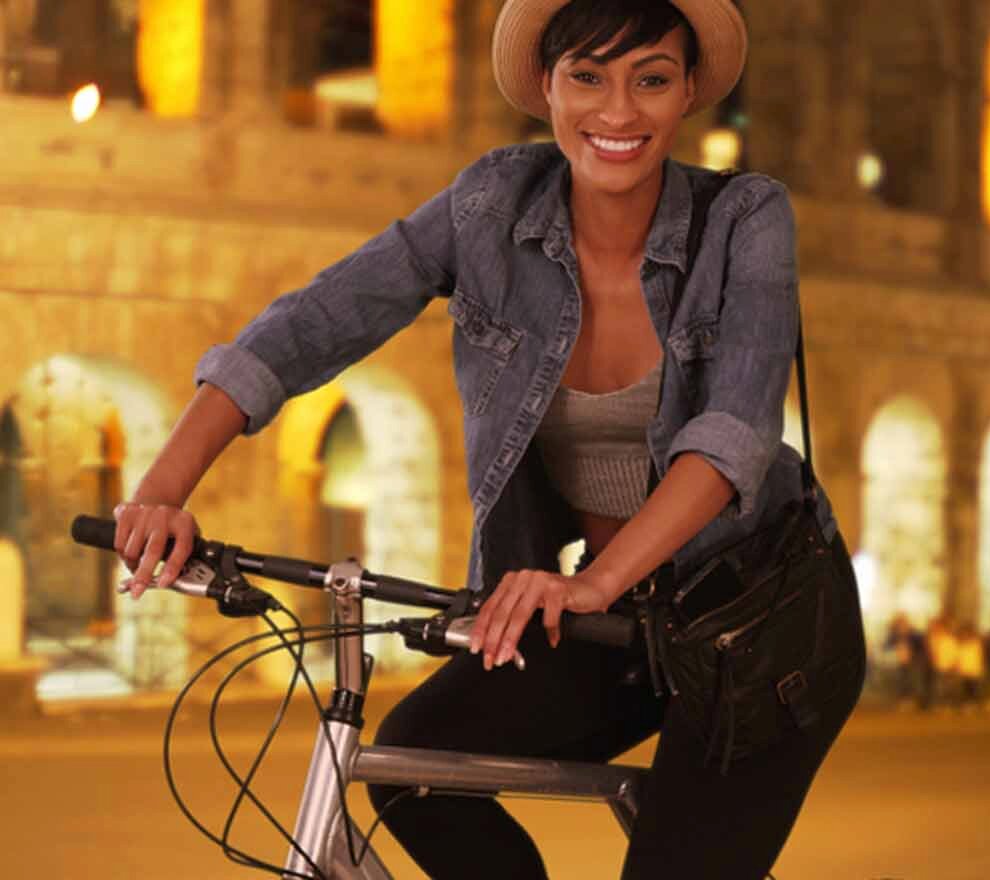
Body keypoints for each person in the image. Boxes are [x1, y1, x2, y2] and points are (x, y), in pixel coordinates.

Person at [108, 2, 867, 878]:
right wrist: (164, 490)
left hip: (758, 622)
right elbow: (313, 323)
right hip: (613, 616)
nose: (618, 112)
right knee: (415, 766)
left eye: (650, 79)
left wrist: (593, 584)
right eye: (587, 76)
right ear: (546, 84)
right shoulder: (491, 203)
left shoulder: (747, 218)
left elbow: (732, 434)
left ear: (689, 90)